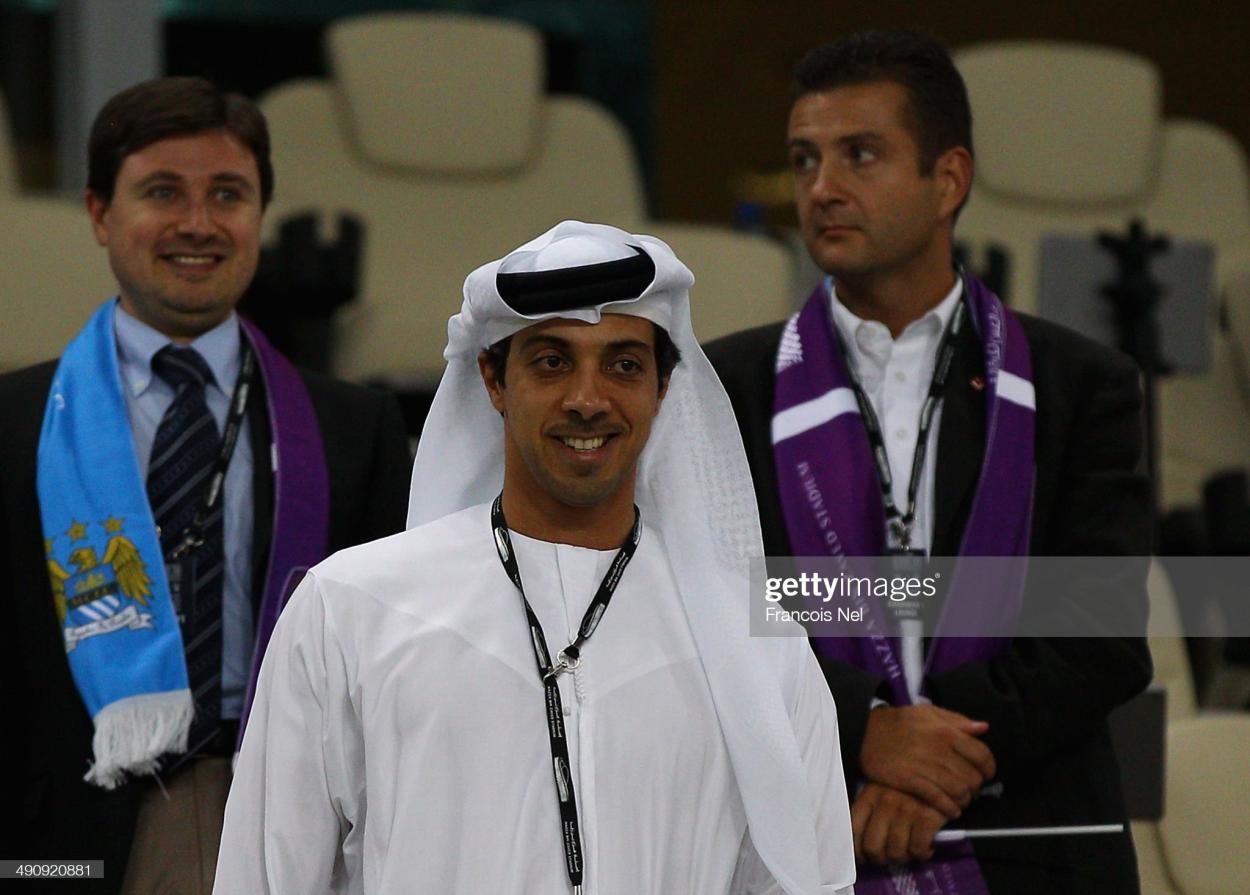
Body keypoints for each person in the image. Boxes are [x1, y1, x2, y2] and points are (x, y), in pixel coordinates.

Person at [212, 221, 856, 894]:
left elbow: (812, 879)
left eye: (624, 364)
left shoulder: (754, 636)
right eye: (551, 361)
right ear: (493, 379)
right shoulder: (348, 607)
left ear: (663, 388)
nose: (587, 399)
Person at [704, 31, 1151, 894]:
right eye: (804, 160)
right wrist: (862, 728)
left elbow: (1098, 630)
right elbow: (707, 614)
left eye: (859, 154)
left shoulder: (1079, 383)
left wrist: (926, 758)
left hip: (1033, 846)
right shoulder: (719, 388)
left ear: (948, 180)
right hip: (806, 837)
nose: (821, 189)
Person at [0, 77, 412, 893]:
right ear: (97, 214)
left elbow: (391, 657)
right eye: (162, 193)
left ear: (260, 216)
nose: (197, 223)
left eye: (228, 194)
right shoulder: (12, 423)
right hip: (60, 839)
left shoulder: (352, 429)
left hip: (288, 818)